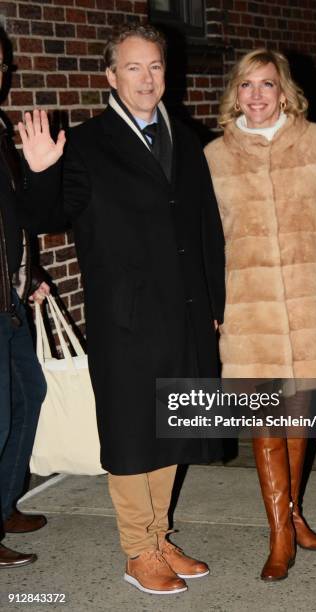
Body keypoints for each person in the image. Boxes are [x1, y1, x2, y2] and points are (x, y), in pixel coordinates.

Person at [22, 23, 225, 595]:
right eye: (133, 67)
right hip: (127, 315)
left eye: (155, 66)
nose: (146, 78)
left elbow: (206, 228)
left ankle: (159, 536)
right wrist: (40, 173)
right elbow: (47, 217)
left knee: (172, 427)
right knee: (134, 431)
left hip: (185, 309)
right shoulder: (86, 143)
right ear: (111, 76)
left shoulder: (186, 139)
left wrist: (214, 303)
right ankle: (137, 550)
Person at [204, 49, 316, 581]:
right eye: (246, 85)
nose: (255, 95)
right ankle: (279, 535)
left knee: (297, 420)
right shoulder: (214, 157)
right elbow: (205, 244)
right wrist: (212, 307)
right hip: (247, 314)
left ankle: (294, 516)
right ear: (235, 93)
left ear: (283, 91)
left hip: (311, 307)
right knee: (265, 424)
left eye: (266, 85)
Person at [0, 27, 65, 568]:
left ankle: (3, 505)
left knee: (29, 397)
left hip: (10, 299)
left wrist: (33, 269)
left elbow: (18, 218)